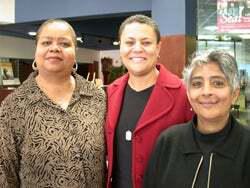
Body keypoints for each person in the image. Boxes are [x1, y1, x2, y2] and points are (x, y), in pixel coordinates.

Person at [0, 19, 106, 187]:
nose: (54, 48)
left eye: (64, 43)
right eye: (46, 42)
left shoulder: (98, 98)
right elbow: (4, 174)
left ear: (75, 51)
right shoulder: (13, 106)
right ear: (36, 50)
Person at [105, 14, 193, 188]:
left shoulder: (184, 94)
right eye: (129, 43)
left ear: (158, 48)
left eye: (146, 42)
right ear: (120, 47)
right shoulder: (111, 92)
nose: (137, 49)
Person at [144, 50, 250, 188]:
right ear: (188, 94)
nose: (206, 92)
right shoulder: (168, 142)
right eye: (197, 84)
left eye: (218, 83)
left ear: (234, 94)